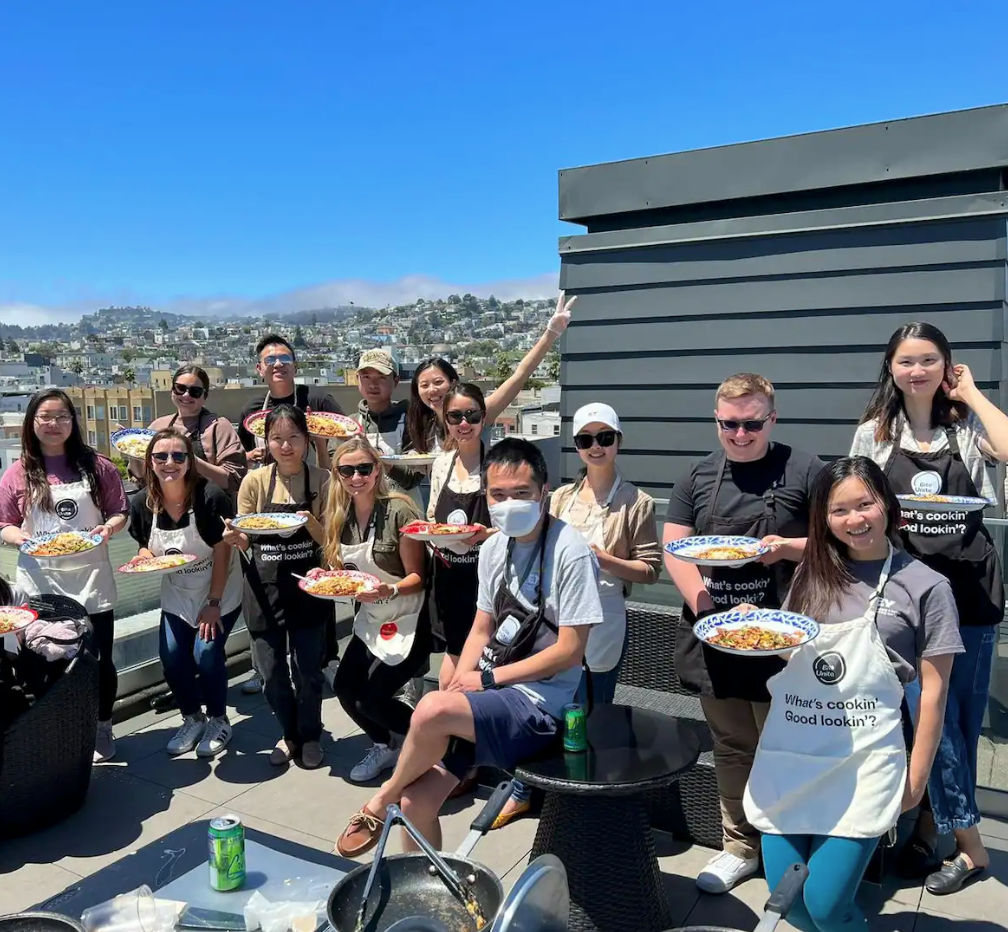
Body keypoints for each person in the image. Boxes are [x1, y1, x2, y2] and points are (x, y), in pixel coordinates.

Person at [333, 437, 603, 858]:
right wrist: (463, 676)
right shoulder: (494, 547)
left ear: (543, 492)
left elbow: (569, 651)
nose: (509, 502)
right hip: (488, 694)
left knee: (432, 708)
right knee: (417, 801)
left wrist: (485, 678)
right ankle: (423, 885)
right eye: (498, 494)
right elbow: (481, 626)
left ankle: (380, 798)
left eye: (521, 493)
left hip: (540, 704)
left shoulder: (570, 551)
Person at [743, 456, 961, 932]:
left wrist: (917, 780)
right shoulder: (812, 573)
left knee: (825, 905)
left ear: (887, 504)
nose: (854, 519)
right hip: (792, 755)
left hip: (862, 765)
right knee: (789, 904)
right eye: (839, 510)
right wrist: (756, 627)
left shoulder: (927, 587)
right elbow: (794, 656)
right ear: (823, 518)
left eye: (865, 504)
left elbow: (934, 695)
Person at [851, 322, 1008, 893]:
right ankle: (965, 844)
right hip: (905, 597)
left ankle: (937, 835)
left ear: (947, 366)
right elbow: (856, 503)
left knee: (958, 726)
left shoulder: (966, 429)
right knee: (923, 723)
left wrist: (971, 394)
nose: (917, 371)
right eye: (906, 361)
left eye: (929, 361)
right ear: (890, 369)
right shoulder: (875, 433)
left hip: (969, 591)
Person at [662, 373, 824, 894]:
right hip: (719, 638)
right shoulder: (697, 477)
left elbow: (838, 539)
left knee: (790, 746)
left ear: (771, 419)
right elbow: (675, 548)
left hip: (786, 639)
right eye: (729, 424)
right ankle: (740, 847)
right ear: (717, 420)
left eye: (752, 423)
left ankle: (794, 853)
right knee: (733, 746)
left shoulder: (805, 470)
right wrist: (711, 612)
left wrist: (786, 548)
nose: (740, 434)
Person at [497, 402, 663, 827]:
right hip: (555, 615)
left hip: (606, 614)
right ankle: (526, 790)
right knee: (546, 703)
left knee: (594, 710)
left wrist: (603, 560)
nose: (595, 447)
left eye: (604, 438)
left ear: (618, 442)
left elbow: (649, 569)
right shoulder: (559, 497)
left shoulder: (637, 502)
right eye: (586, 439)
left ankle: (583, 796)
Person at [0, 389, 129, 763]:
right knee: (45, 658)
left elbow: (119, 510)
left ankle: (102, 726)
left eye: (61, 416)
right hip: (41, 582)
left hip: (91, 578)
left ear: (73, 422)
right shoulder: (19, 471)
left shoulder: (97, 466)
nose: (53, 424)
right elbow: (4, 523)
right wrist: (19, 537)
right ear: (32, 423)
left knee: (98, 658)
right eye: (45, 417)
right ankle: (59, 730)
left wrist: (109, 528)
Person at [317, 436, 431, 783]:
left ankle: (428, 743)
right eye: (347, 470)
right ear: (337, 474)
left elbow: (419, 576)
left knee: (373, 697)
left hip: (408, 617)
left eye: (364, 469)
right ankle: (386, 744)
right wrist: (322, 576)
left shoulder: (399, 509)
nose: (356, 477)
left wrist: (390, 588)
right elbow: (346, 572)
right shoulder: (339, 515)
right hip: (371, 617)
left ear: (377, 470)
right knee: (346, 689)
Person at [223, 405, 330, 769]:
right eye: (277, 439)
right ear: (266, 441)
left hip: (309, 585)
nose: (286, 446)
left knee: (309, 671)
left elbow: (329, 538)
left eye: (294, 438)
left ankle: (311, 735)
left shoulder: (321, 480)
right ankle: (289, 733)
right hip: (263, 585)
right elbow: (246, 535)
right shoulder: (254, 481)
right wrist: (235, 537)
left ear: (306, 440)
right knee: (270, 673)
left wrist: (309, 521)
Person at [237, 334, 343, 693]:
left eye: (284, 357)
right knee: (267, 593)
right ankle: (266, 666)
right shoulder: (252, 410)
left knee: (320, 583)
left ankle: (325, 660)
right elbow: (244, 458)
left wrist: (322, 453)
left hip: (314, 494)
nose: (278, 364)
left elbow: (345, 443)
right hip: (269, 499)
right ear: (259, 369)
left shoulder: (317, 400)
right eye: (270, 359)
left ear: (295, 364)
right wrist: (250, 460)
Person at [128, 429, 243, 757]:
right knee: (173, 656)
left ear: (190, 462)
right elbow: (144, 548)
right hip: (178, 591)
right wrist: (143, 560)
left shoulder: (209, 497)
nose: (169, 463)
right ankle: (192, 717)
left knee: (206, 653)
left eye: (179, 456)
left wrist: (213, 603)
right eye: (161, 456)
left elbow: (223, 553)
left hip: (219, 588)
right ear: (150, 462)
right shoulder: (142, 503)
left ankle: (220, 720)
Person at [423, 384, 499, 800]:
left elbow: (520, 525)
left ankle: (460, 762)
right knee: (449, 676)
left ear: (484, 417)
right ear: (445, 421)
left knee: (468, 678)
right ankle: (452, 760)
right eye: (455, 417)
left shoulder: (500, 465)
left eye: (471, 415)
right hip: (449, 579)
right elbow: (434, 519)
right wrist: (437, 538)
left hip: (488, 586)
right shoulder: (442, 463)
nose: (464, 424)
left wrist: (487, 535)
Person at [404, 290, 579, 454]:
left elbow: (519, 376)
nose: (432, 390)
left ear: (453, 383)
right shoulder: (426, 426)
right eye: (424, 385)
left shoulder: (477, 412)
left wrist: (551, 332)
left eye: (438, 382)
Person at [136, 365, 247, 497]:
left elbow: (234, 480)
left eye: (195, 391)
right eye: (180, 388)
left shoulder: (218, 427)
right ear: (172, 390)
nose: (186, 395)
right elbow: (142, 476)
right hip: (164, 507)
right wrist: (131, 448)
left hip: (209, 507)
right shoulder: (158, 426)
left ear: (204, 396)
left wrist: (191, 460)